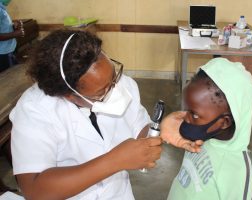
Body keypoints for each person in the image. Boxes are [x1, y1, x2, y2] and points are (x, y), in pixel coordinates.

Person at [9, 29, 162, 200]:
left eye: (114, 76)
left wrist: (158, 133)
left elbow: (138, 125)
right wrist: (114, 161)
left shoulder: (120, 84)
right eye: (101, 91)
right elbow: (35, 189)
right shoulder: (35, 110)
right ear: (69, 95)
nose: (115, 88)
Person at [161, 58, 252, 200]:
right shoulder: (204, 137)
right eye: (186, 109)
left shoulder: (237, 171)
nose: (186, 118)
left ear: (224, 122)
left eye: (194, 114)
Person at [0, 0, 25, 72]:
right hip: (3, 53)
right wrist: (15, 34)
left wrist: (14, 26)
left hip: (9, 50)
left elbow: (3, 28)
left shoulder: (2, 9)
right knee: (7, 77)